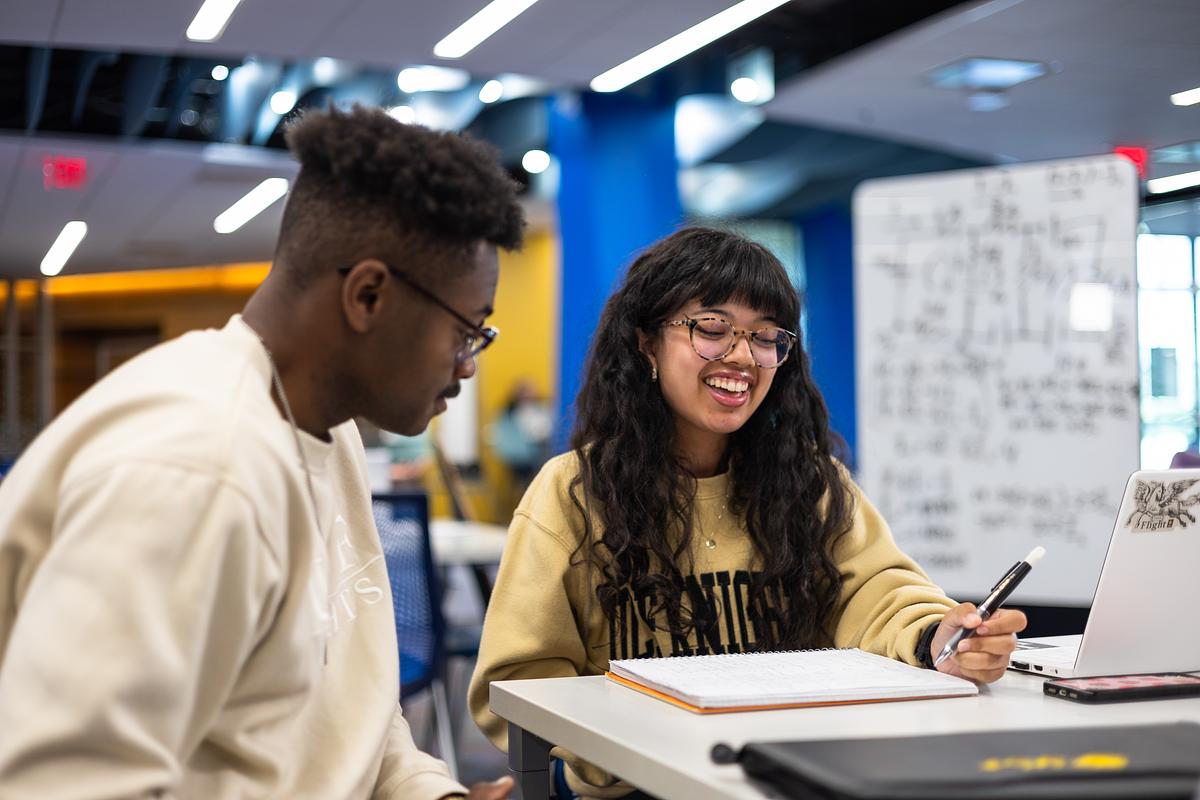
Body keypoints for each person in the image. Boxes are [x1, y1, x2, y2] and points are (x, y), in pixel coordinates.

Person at [0, 106, 523, 799]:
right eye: (467, 331)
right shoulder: (197, 466)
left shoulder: (325, 428)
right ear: (369, 295)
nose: (467, 366)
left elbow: (349, 708)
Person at [468, 227, 1026, 798]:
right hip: (637, 785)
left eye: (766, 338)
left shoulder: (812, 484)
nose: (741, 356)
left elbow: (879, 592)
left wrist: (941, 637)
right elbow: (519, 681)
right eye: (711, 328)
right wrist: (610, 759)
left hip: (787, 776)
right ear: (646, 343)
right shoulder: (571, 493)